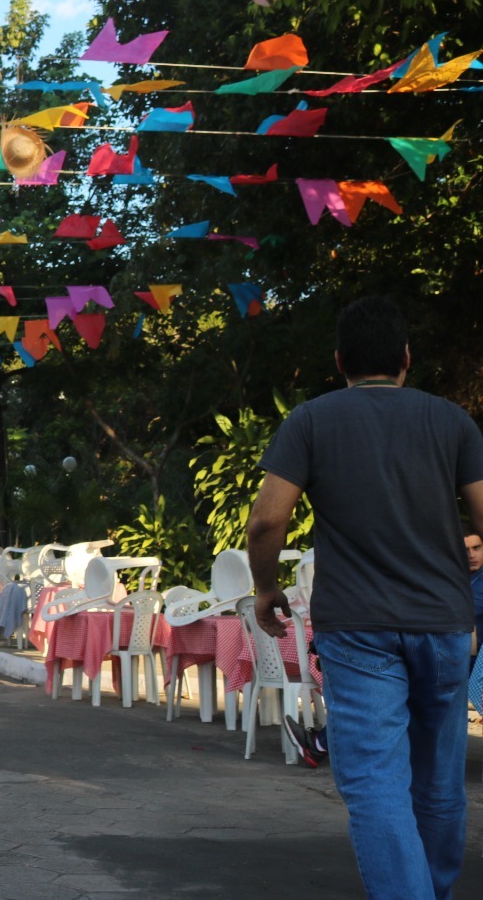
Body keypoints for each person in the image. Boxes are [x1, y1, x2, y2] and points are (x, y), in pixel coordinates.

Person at [247, 296, 483, 900]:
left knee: (376, 781)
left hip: (356, 630)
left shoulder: (311, 420)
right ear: (407, 357)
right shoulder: (453, 421)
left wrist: (267, 587)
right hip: (446, 625)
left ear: (339, 361)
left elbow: (267, 521)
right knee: (438, 782)